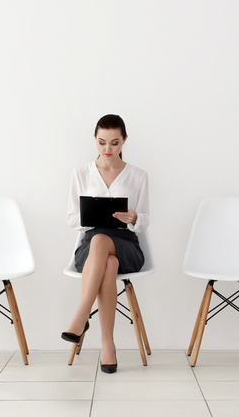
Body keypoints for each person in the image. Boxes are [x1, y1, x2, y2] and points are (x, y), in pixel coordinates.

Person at [62, 114, 150, 374]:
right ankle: (107, 345)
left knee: (105, 245)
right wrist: (89, 215)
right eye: (101, 143)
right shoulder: (81, 173)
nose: (107, 149)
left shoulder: (138, 175)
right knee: (107, 262)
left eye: (114, 143)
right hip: (92, 248)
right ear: (95, 140)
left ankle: (81, 316)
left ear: (124, 140)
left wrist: (134, 217)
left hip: (126, 244)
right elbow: (71, 218)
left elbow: (144, 221)